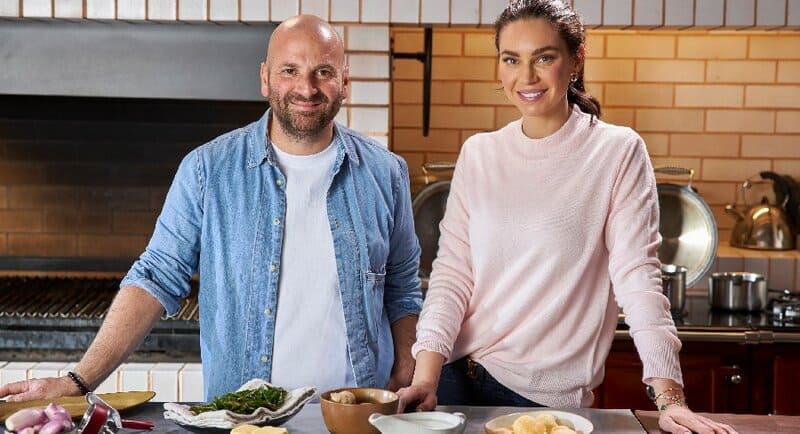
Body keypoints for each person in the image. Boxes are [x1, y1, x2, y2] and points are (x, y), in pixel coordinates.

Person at [0, 14, 422, 402]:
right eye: (289, 70)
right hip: (242, 417)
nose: (306, 88)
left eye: (323, 72)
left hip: (356, 414)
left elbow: (402, 287)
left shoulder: (386, 173)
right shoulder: (207, 170)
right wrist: (78, 380)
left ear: (345, 81)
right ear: (265, 78)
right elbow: (155, 277)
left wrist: (408, 363)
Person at [396, 1, 736, 433]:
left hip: (540, 399)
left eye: (544, 57)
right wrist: (425, 377)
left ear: (575, 61)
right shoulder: (479, 154)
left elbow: (638, 277)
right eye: (511, 59)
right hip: (451, 376)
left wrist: (671, 400)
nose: (526, 77)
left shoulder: (616, 152)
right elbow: (452, 276)